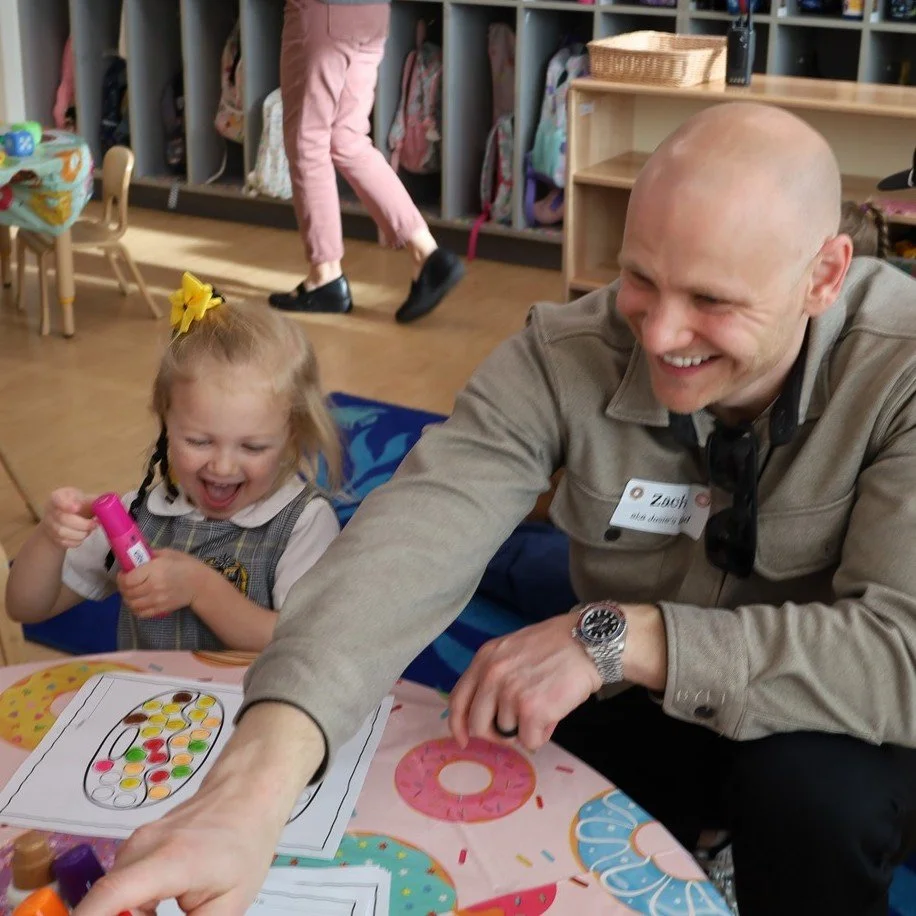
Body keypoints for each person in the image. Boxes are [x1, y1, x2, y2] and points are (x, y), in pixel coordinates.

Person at [76, 102, 916, 916]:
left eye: (712, 302)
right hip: (648, 702)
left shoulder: (901, 367)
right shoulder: (566, 353)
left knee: (810, 803)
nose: (660, 335)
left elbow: (899, 656)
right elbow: (414, 534)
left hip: (835, 725)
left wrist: (629, 636)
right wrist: (254, 781)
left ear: (825, 275)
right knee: (510, 761)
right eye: (639, 279)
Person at [6, 273, 343, 653]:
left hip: (255, 712)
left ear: (291, 440)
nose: (223, 466)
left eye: (252, 447)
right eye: (199, 441)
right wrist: (50, 540)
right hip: (151, 713)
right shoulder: (139, 516)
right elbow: (26, 607)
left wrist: (201, 590)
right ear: (165, 422)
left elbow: (305, 645)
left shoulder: (303, 524)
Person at [267, 0, 465, 323]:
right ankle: (426, 252)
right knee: (347, 138)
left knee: (308, 140)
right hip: (370, 13)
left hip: (323, 12)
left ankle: (325, 275)